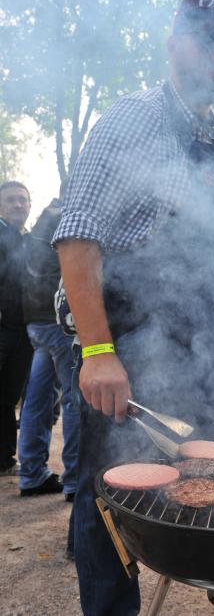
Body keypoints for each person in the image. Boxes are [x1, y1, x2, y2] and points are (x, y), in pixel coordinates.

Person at [53, 0, 214, 616]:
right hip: (129, 346)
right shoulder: (134, 120)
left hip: (204, 349)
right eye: (211, 41)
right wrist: (99, 352)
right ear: (175, 41)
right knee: (112, 494)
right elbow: (77, 236)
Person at [18, 183, 80, 500]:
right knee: (73, 398)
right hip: (57, 324)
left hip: (36, 322)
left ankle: (30, 474)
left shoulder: (46, 216)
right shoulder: (70, 216)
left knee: (38, 398)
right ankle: (74, 481)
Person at [0, 180, 33, 475]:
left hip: (22, 332)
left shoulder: (27, 240)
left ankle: (5, 459)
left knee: (8, 396)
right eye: (11, 200)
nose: (18, 205)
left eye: (23, 200)